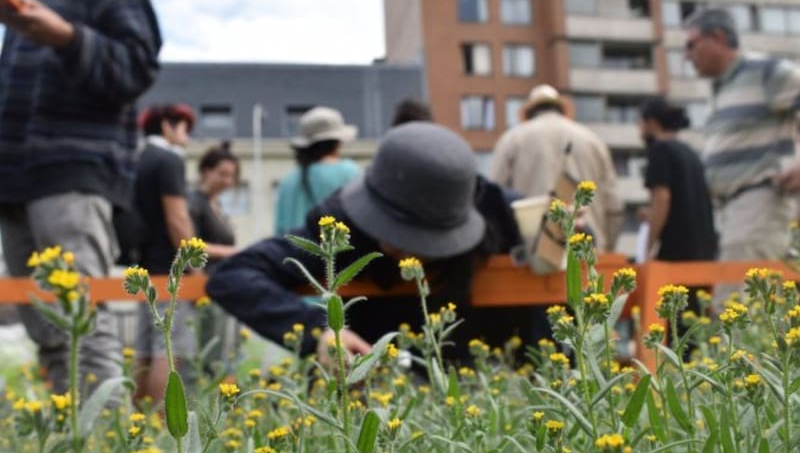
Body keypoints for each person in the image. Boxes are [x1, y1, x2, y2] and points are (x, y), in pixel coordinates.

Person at [207, 122, 530, 365]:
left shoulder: (504, 213)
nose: (395, 246)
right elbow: (234, 275)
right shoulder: (342, 225)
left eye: (415, 240)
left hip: (488, 378)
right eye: (389, 229)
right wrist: (319, 334)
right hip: (381, 379)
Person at [0, 0, 161, 393]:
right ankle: (74, 446)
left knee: (82, 322)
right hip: (14, 180)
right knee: (48, 331)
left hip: (72, 171)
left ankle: (105, 450)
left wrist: (67, 37)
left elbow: (137, 67)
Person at [684, 8, 800, 283]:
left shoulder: (766, 72)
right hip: (733, 210)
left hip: (758, 201)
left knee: (737, 303)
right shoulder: (722, 88)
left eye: (691, 44)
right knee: (759, 304)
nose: (687, 55)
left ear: (717, 37)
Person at [490, 85, 624, 253]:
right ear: (561, 108)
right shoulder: (593, 141)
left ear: (530, 111)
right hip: (586, 250)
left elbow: (494, 200)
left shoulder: (511, 140)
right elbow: (614, 206)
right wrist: (606, 248)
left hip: (530, 256)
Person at [133, 103, 198, 402]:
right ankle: (162, 428)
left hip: (143, 267)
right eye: (184, 126)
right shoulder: (168, 159)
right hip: (170, 270)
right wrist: (195, 268)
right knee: (169, 351)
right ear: (167, 126)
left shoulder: (138, 159)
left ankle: (138, 427)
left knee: (145, 351)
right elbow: (177, 219)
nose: (188, 134)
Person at [638, 97, 717, 262]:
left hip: (676, 255)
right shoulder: (690, 152)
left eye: (640, 124)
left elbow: (662, 198)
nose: (639, 130)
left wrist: (647, 247)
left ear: (651, 123)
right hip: (704, 253)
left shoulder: (660, 150)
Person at [188, 142, 240, 374]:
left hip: (221, 287)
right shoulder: (194, 202)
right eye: (223, 174)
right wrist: (234, 253)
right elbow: (192, 246)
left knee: (220, 352)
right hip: (202, 287)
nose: (228, 181)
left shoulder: (216, 205)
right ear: (206, 171)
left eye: (232, 176)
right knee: (207, 355)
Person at [274, 107, 361, 236]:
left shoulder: (288, 181)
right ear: (337, 142)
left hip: (291, 253)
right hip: (337, 253)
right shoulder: (351, 173)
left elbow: (279, 231)